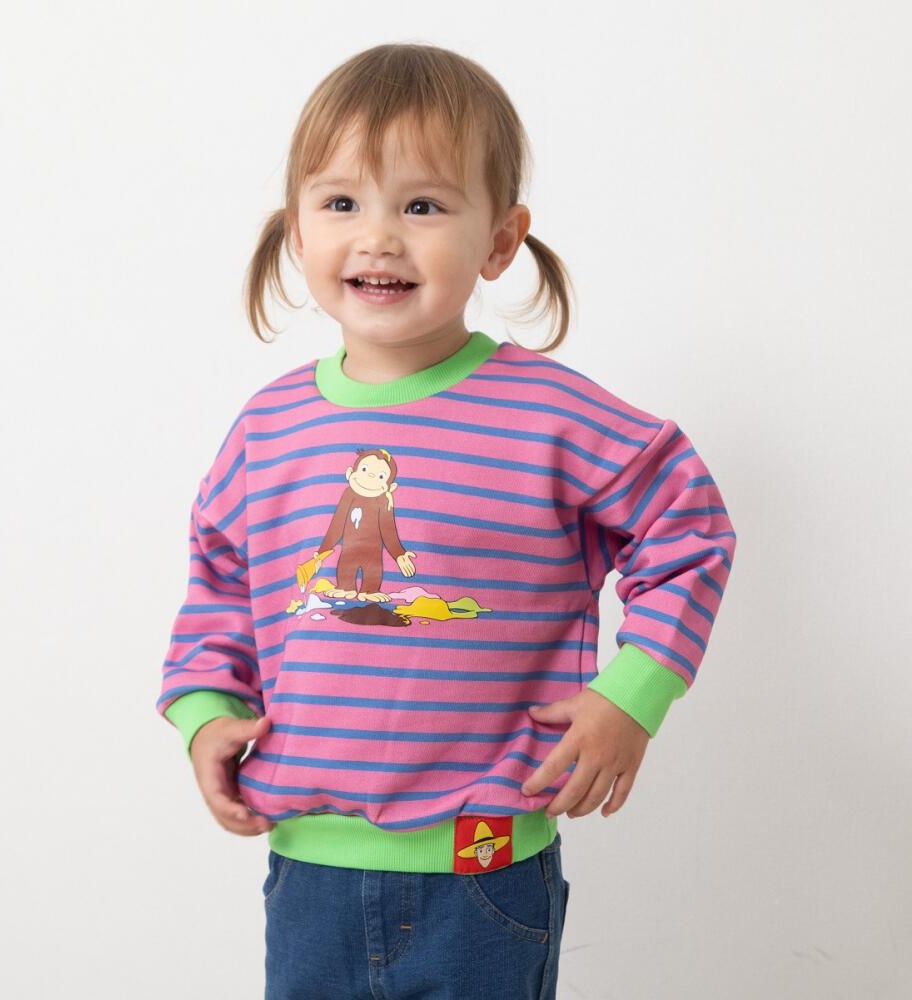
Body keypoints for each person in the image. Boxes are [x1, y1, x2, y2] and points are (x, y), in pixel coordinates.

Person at [156, 42, 737, 1000]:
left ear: (500, 241)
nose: (379, 237)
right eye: (342, 203)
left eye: (422, 205)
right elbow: (218, 581)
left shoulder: (548, 413)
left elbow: (688, 527)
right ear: (297, 230)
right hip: (310, 871)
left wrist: (632, 694)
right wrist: (206, 710)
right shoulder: (268, 426)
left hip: (485, 869)